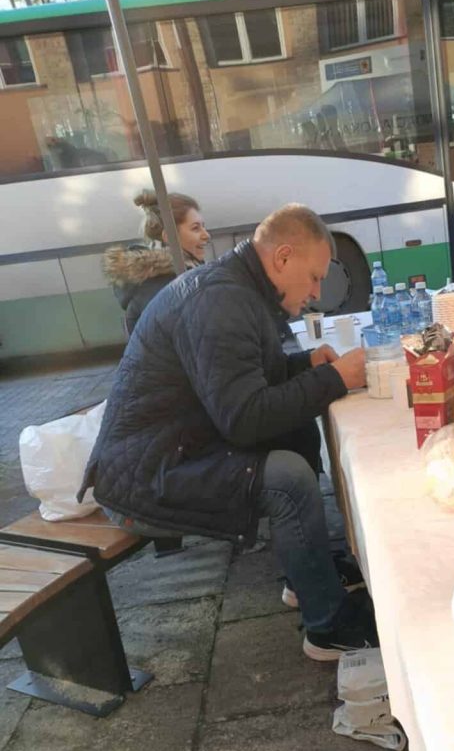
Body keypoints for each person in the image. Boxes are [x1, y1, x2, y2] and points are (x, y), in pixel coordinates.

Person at [81, 203, 377, 660]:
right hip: (145, 476)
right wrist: (333, 379)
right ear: (282, 257)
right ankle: (327, 628)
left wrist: (305, 365)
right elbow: (244, 419)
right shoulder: (221, 301)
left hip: (174, 447)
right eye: (315, 277)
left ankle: (306, 577)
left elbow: (243, 378)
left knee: (298, 431)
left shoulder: (238, 288)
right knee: (288, 479)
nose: (318, 292)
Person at [103, 189, 210, 336]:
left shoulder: (168, 278)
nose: (206, 235)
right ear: (169, 237)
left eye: (203, 227)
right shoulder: (170, 287)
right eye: (196, 228)